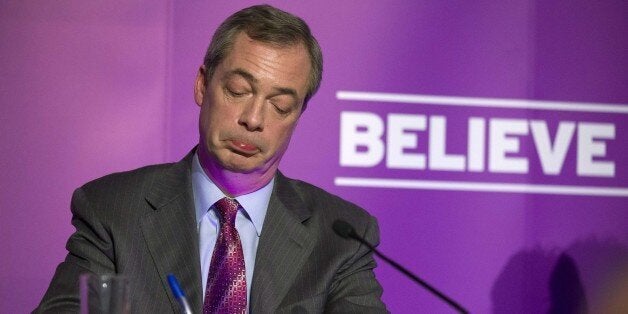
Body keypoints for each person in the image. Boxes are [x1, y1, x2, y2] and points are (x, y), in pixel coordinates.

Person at [36, 4, 387, 313]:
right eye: (238, 91)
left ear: (298, 115)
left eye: (279, 105)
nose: (253, 119)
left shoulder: (341, 236)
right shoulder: (113, 210)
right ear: (203, 85)